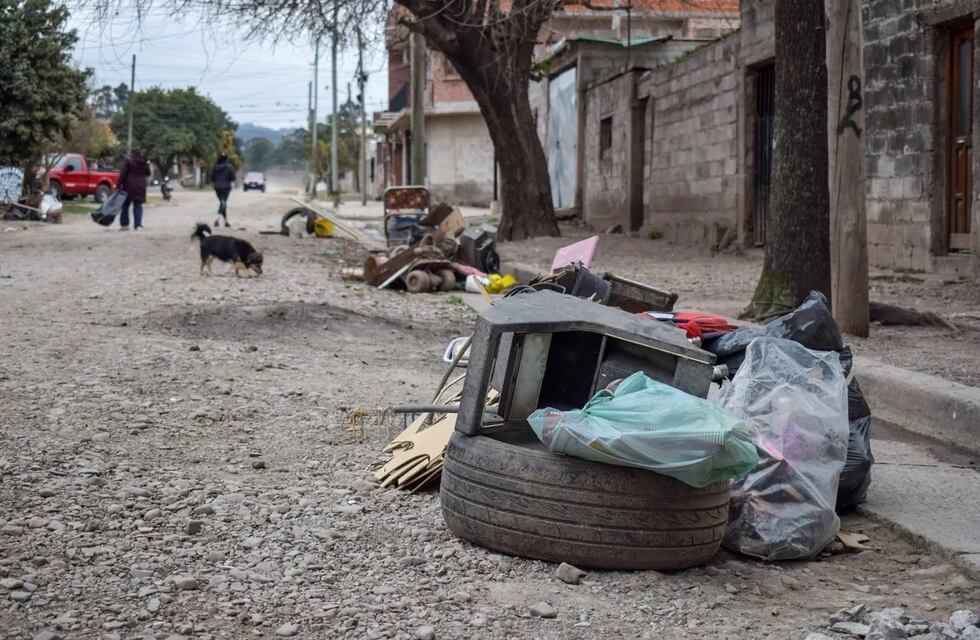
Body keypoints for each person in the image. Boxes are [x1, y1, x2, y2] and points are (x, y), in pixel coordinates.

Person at [118, 149, 150, 230]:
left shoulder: (128, 161)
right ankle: (138, 225)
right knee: (138, 205)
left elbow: (123, 174)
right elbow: (148, 173)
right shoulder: (145, 161)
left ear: (132, 153)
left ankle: (125, 225)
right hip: (141, 186)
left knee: (125, 205)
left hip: (129, 186)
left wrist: (118, 185)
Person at [211, 153, 236, 227]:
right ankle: (217, 218)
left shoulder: (215, 167)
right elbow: (233, 178)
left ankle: (225, 221)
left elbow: (212, 178)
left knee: (222, 203)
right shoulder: (229, 167)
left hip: (217, 187)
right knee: (223, 202)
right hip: (226, 187)